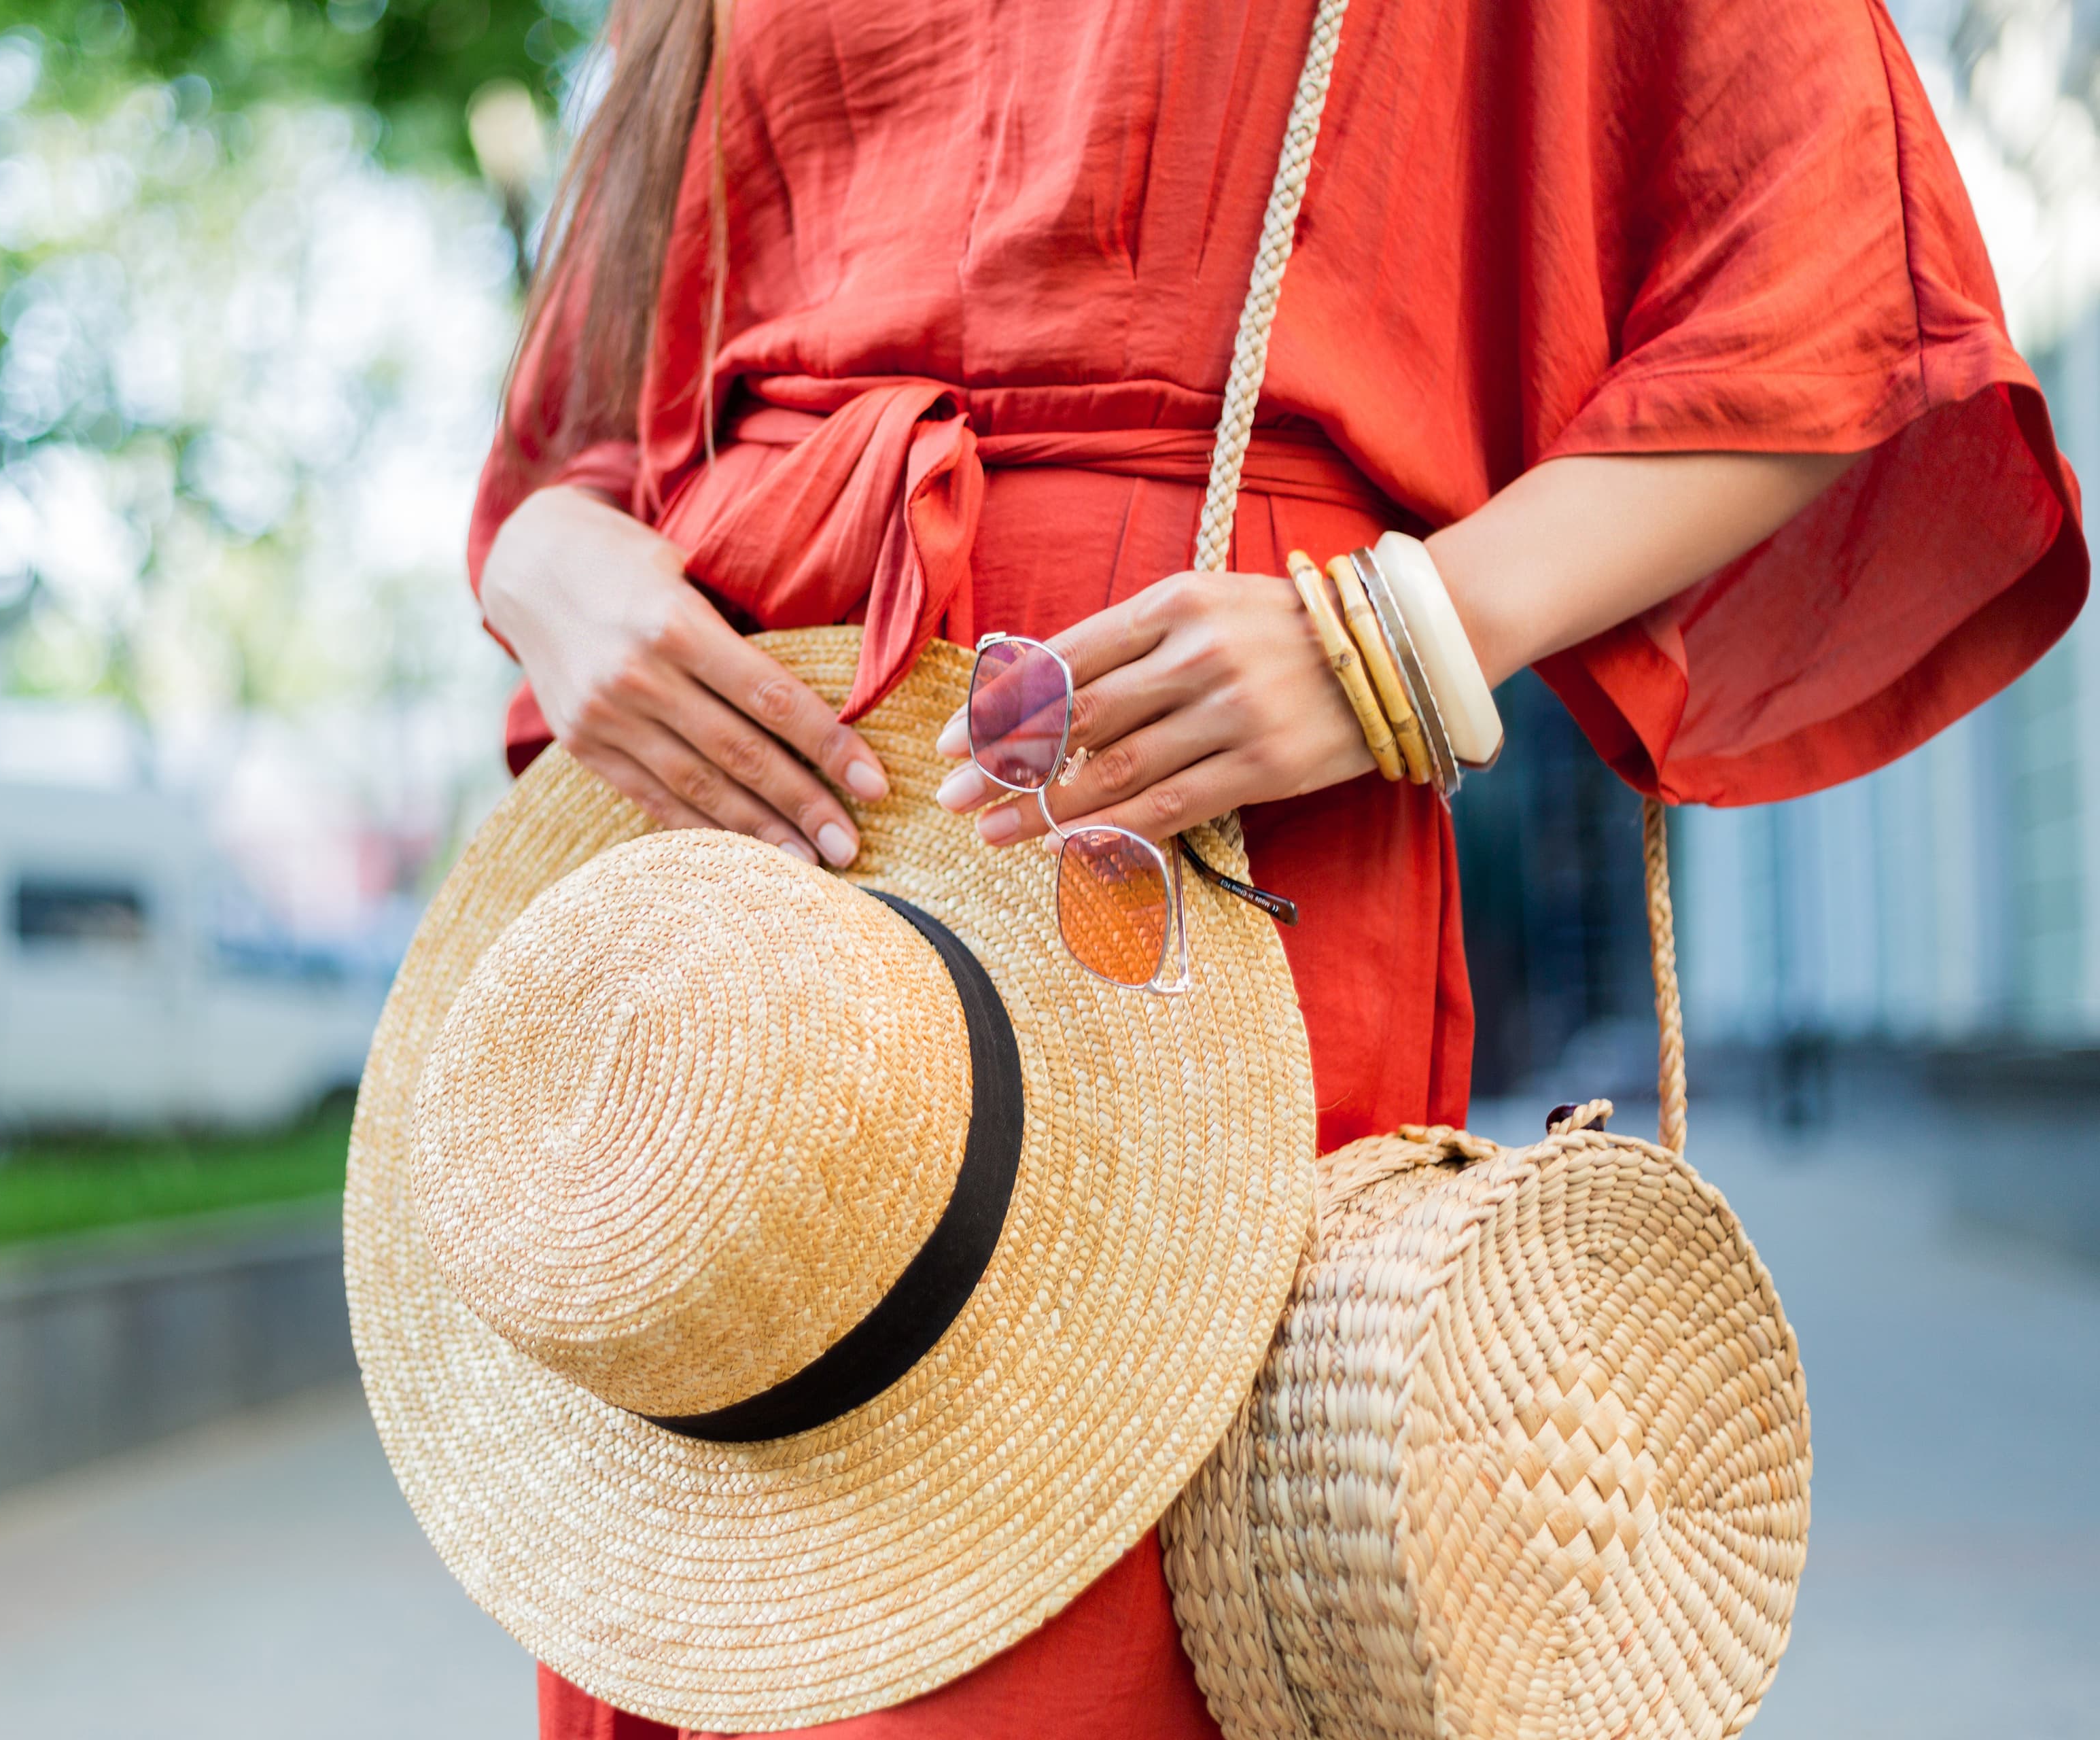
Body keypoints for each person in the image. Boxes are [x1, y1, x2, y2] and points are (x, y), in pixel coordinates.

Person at [462, 0, 2087, 1733]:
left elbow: (1834, 281)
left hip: (1187, 835)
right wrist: (556, 574)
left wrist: (1412, 629)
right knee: (719, 1620)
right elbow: (574, 444)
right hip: (723, 884)